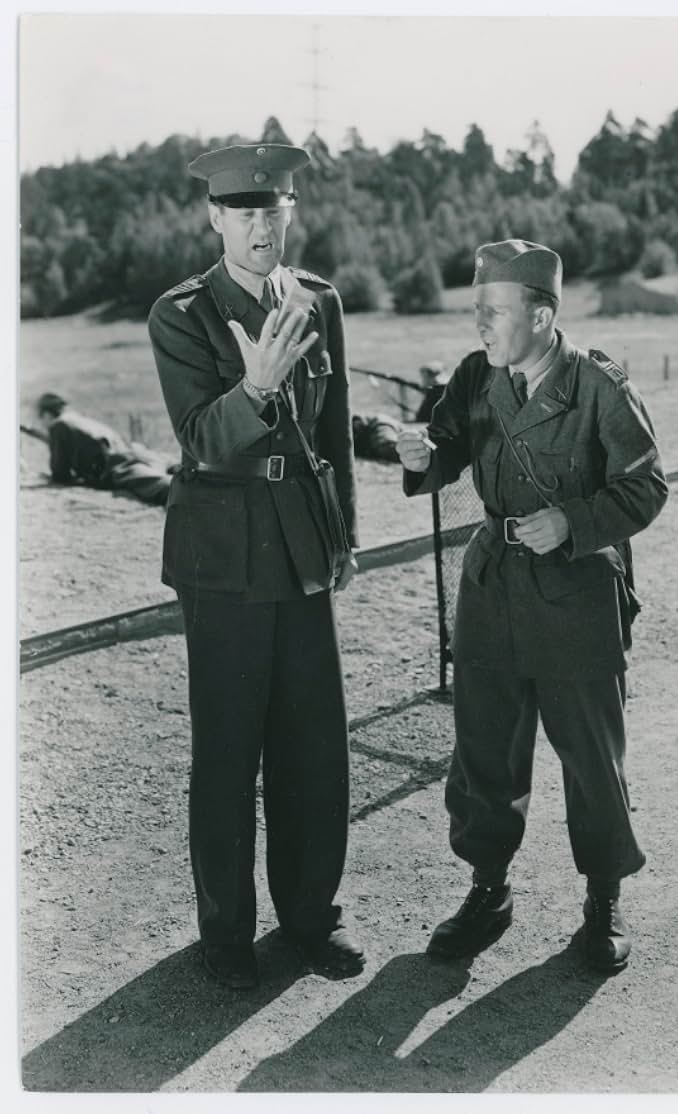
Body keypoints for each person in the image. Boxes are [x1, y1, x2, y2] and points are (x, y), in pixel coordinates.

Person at [397, 239, 668, 973]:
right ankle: (489, 890)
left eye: (494, 310)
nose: (480, 324)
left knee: (590, 756)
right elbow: (448, 445)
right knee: (484, 748)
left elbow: (646, 486)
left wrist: (574, 522)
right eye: (476, 309)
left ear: (543, 317)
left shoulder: (599, 388)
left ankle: (603, 901)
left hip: (577, 591)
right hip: (493, 585)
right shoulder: (476, 376)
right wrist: (423, 457)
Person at [147, 142, 364, 990]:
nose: (261, 228)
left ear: (289, 214)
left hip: (303, 546)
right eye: (243, 213)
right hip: (223, 562)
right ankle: (227, 936)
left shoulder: (318, 299)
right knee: (230, 752)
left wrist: (343, 532)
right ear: (215, 219)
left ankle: (312, 917)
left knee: (315, 747)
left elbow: (337, 426)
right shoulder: (183, 313)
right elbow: (202, 437)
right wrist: (258, 389)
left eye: (274, 212)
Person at [35, 392, 174, 506]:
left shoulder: (58, 425)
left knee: (169, 490)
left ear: (47, 414)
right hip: (142, 454)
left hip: (122, 465)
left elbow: (60, 474)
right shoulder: (79, 419)